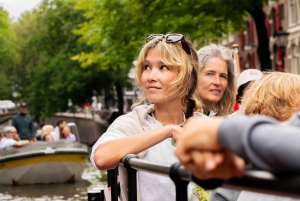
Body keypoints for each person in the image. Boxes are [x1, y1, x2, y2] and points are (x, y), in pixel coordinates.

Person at [91, 33, 205, 201]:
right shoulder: (133, 123)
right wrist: (168, 131)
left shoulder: (203, 125)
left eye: (163, 67)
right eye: (146, 67)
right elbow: (101, 157)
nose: (151, 76)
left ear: (186, 79)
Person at [197, 44, 236, 116]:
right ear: (194, 77)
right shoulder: (180, 118)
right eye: (210, 74)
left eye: (223, 76)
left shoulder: (221, 119)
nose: (217, 82)